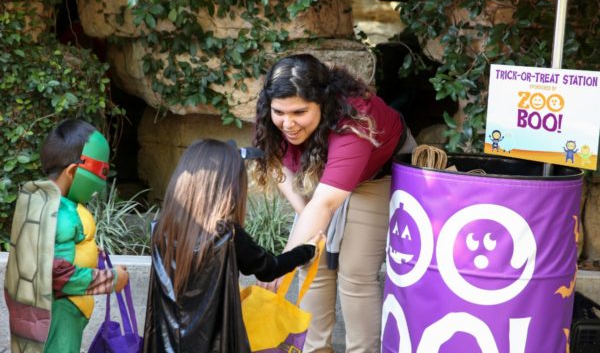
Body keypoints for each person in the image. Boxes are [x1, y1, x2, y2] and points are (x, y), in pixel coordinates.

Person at [252, 54, 416, 352]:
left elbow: (326, 204)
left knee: (355, 272)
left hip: (377, 172)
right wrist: (305, 215)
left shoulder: (352, 122)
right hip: (324, 167)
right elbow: (278, 163)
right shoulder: (275, 111)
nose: (287, 123)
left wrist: (281, 263)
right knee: (312, 261)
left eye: (299, 112)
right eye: (280, 112)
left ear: (323, 103)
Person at [142, 139, 321, 352]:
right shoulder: (228, 235)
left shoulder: (161, 230)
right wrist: (307, 249)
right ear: (229, 186)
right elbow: (269, 269)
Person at [4, 119, 129, 353]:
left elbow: (52, 249)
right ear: (72, 171)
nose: (102, 182)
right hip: (59, 312)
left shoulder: (42, 203)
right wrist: (111, 279)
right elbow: (55, 272)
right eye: (101, 172)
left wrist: (90, 251)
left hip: (57, 312)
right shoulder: (58, 212)